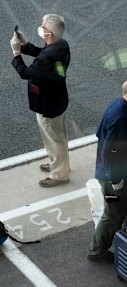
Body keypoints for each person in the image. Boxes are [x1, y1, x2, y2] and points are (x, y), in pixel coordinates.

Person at [87, 78, 127, 263]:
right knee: (113, 216)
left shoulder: (126, 108)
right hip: (116, 177)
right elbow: (109, 152)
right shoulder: (119, 118)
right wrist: (115, 180)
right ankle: (97, 250)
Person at [11, 14, 71, 187]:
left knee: (54, 138)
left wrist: (16, 53)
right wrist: (25, 45)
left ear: (49, 34)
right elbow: (42, 54)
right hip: (58, 99)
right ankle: (58, 164)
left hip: (48, 104)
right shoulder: (61, 45)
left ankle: (59, 174)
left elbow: (25, 72)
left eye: (43, 27)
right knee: (59, 137)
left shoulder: (48, 55)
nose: (41, 28)